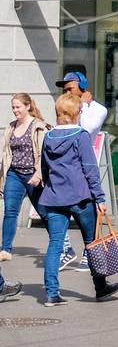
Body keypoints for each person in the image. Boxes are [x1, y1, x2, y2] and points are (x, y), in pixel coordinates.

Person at [38, 93, 118, 305]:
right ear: (75, 113)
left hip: (54, 198)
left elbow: (45, 169)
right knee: (91, 243)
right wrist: (100, 198)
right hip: (80, 197)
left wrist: (51, 185)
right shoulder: (80, 136)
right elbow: (90, 169)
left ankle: (52, 294)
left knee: (55, 244)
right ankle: (100, 288)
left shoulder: (48, 137)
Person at [1, 94, 49, 298]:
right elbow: (5, 153)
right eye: (13, 107)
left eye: (18, 107)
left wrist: (39, 174)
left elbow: (44, 154)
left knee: (45, 212)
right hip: (14, 174)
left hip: (33, 175)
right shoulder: (11, 127)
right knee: (10, 211)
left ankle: (59, 243)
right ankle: (6, 249)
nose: (15, 110)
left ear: (28, 106)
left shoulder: (39, 126)